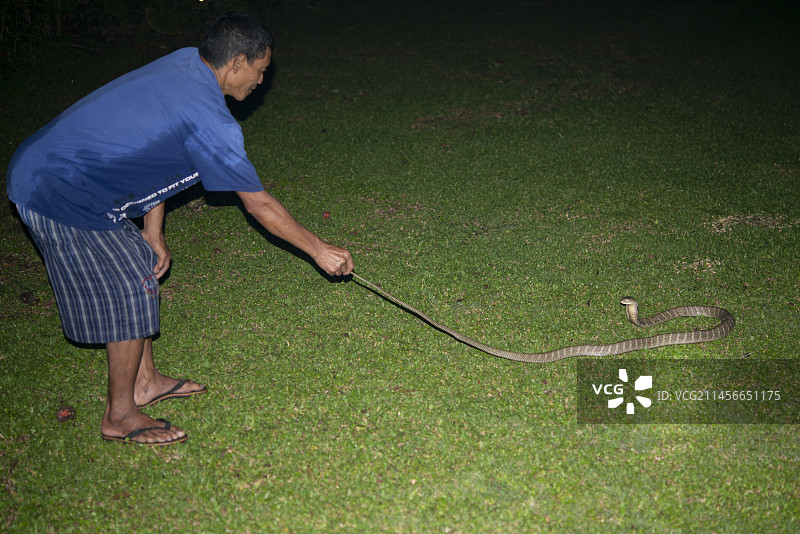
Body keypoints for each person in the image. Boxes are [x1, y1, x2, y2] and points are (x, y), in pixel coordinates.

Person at [6, 11, 353, 446]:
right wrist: (319, 249)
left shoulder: (188, 63)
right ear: (237, 62)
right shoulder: (211, 119)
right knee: (130, 283)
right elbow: (258, 204)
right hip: (54, 186)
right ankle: (120, 414)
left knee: (140, 260)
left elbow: (158, 149)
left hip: (54, 166)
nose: (261, 82)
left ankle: (145, 381)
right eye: (260, 71)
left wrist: (153, 231)